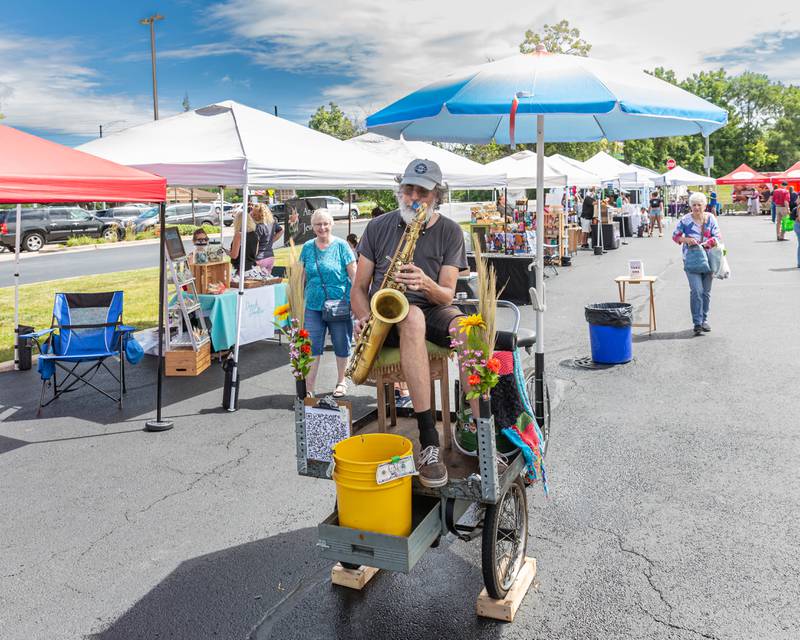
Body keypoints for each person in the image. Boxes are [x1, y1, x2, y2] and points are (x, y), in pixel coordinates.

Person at [352, 159, 468, 488]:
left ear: (437, 195)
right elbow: (358, 289)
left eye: (422, 191)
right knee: (412, 317)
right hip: (387, 317)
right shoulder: (377, 227)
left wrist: (425, 283)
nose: (413, 196)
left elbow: (447, 295)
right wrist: (363, 317)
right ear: (399, 190)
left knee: (470, 330)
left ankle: (479, 429)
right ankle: (429, 441)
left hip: (432, 305)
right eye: (408, 188)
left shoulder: (450, 231)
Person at [299, 208, 356, 398]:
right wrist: (297, 303)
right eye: (318, 224)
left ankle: (341, 381)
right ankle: (308, 388)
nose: (322, 227)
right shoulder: (307, 247)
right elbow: (302, 277)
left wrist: (357, 302)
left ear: (331, 224)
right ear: (312, 226)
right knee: (312, 347)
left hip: (339, 304)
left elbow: (354, 276)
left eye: (325, 223)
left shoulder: (341, 246)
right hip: (313, 306)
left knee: (342, 343)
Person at [672, 192, 721, 335]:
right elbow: (675, 236)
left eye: (699, 204)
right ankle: (697, 322)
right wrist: (686, 240)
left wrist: (706, 243)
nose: (697, 207)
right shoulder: (685, 220)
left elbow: (718, 236)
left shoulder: (711, 218)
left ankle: (704, 319)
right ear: (690, 206)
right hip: (691, 259)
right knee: (697, 291)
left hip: (709, 259)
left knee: (706, 292)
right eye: (694, 205)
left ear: (705, 206)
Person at [251, 203, 283, 274]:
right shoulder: (272, 223)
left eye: (253, 213)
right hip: (270, 257)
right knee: (267, 282)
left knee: (257, 282)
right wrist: (271, 241)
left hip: (259, 258)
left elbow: (255, 245)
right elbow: (281, 230)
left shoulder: (258, 227)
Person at [229, 210, 258, 276]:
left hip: (240, 269)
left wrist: (229, 252)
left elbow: (234, 255)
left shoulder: (239, 235)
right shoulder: (254, 234)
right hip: (251, 268)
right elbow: (255, 252)